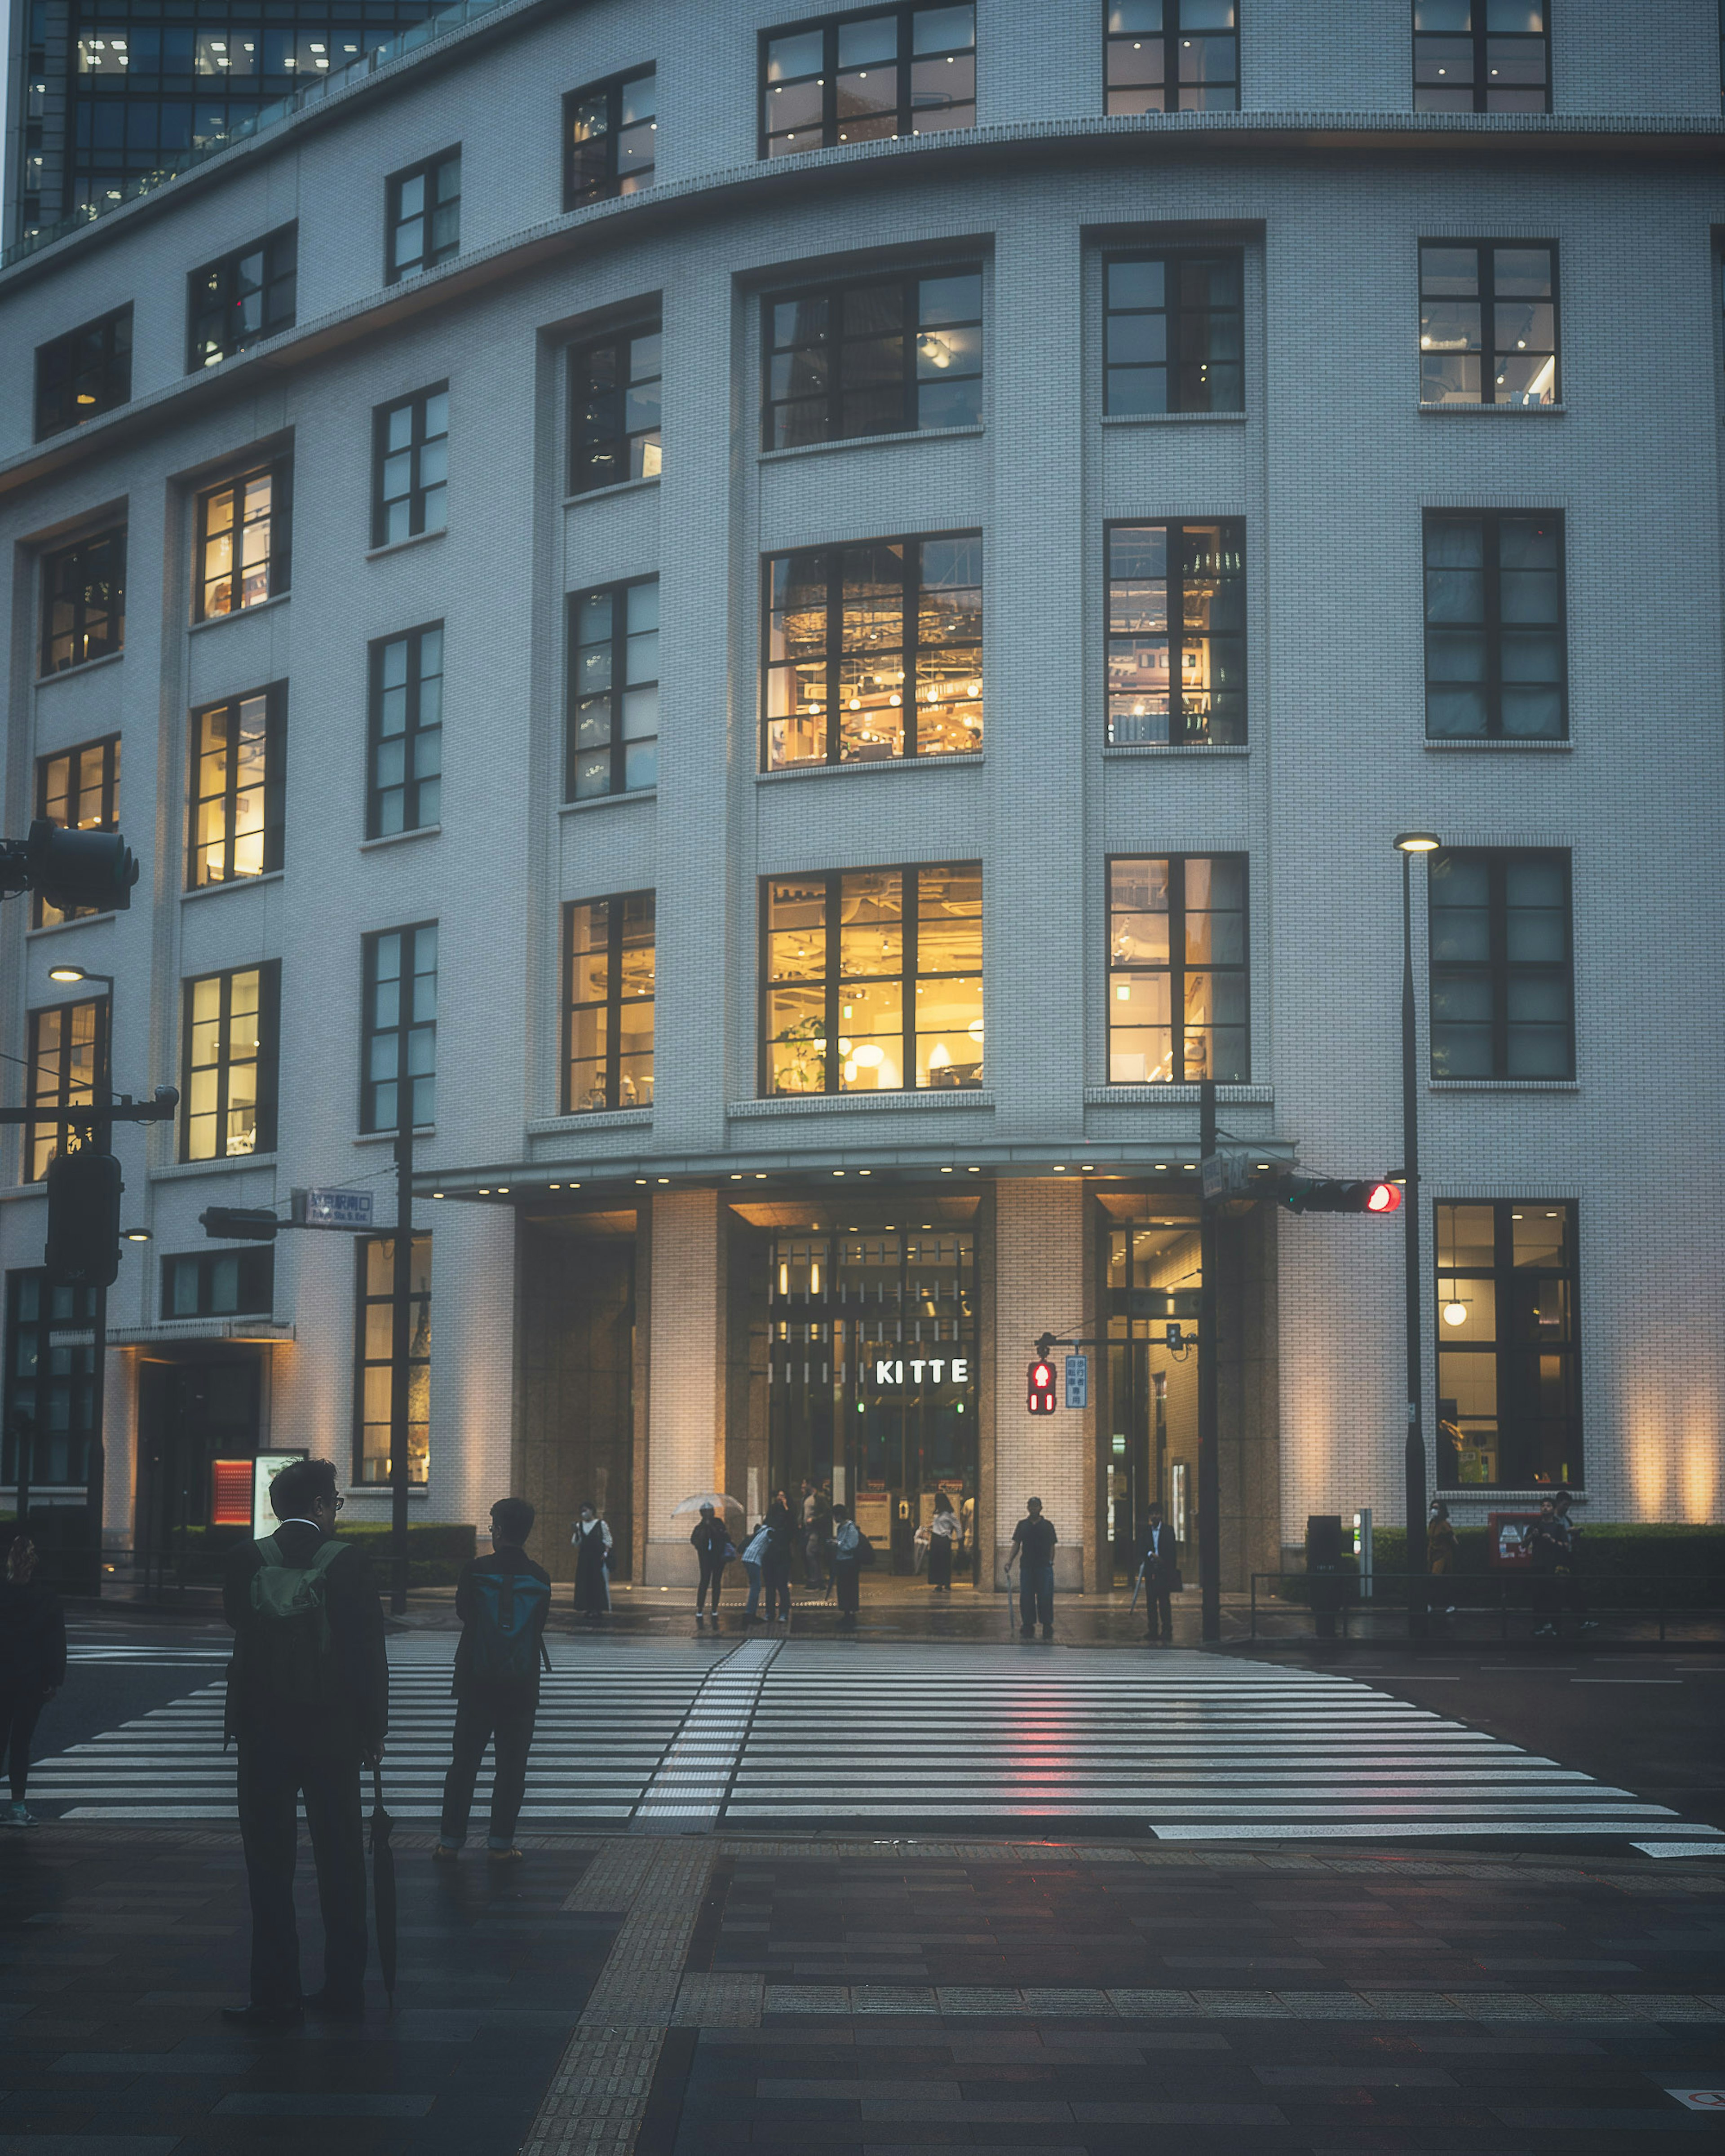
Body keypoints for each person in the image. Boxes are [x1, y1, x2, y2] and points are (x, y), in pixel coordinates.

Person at [221, 1457, 387, 2029]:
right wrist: (374, 1730)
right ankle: (343, 1987)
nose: (336, 1512)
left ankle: (274, 1993)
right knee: (339, 1859)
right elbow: (368, 1653)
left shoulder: (248, 1559)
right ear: (318, 1506)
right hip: (332, 1733)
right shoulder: (349, 1563)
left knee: (268, 1865)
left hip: (262, 1733)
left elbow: (238, 1628)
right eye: (334, 1502)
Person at [436, 1497, 550, 1865]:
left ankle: (450, 1842)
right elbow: (539, 1625)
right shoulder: (540, 1577)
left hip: (476, 1683)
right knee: (512, 1767)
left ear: (498, 1531)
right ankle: (501, 1843)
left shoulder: (475, 1570)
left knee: (464, 1764)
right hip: (521, 1686)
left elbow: (465, 1613)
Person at [0, 1523, 66, 1827]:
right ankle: (17, 1805)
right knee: (21, 1745)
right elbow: (54, 1643)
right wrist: (53, 1680)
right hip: (31, 1681)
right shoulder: (46, 1598)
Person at [1005, 1497, 1057, 1640]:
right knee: (1026, 1596)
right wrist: (1010, 1561)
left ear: (1041, 1508)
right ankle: (1028, 1624)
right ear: (1028, 1508)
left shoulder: (1048, 1526)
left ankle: (1047, 1624)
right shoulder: (1023, 1525)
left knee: (1045, 1596)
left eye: (1036, 1506)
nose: (1034, 1509)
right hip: (1027, 1565)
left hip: (1043, 1566)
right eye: (1031, 1506)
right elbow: (1017, 1544)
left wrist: (1051, 1562)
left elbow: (1052, 1545)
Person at [1551, 1488, 1597, 1633]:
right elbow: (1551, 1537)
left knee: (1575, 1590)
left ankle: (1582, 1620)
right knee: (1558, 1592)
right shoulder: (1552, 1520)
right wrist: (1567, 1532)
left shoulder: (1567, 1519)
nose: (1566, 1508)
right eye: (1565, 1505)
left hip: (1569, 1557)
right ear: (1558, 1504)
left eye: (1568, 1506)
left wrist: (1576, 1536)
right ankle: (1557, 1624)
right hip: (1557, 1558)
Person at [1139, 1502, 1178, 1643]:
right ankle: (1153, 1630)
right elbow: (1142, 1549)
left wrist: (1165, 1563)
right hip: (1151, 1571)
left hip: (1164, 1571)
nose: (1155, 1516)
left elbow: (1173, 1552)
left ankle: (1167, 1630)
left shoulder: (1169, 1531)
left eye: (1157, 1514)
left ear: (1161, 1515)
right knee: (1151, 1602)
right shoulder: (1146, 1532)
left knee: (1164, 1602)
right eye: (1152, 1514)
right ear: (1149, 1516)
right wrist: (1150, 1554)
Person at [1527, 1497, 1565, 1636]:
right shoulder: (1535, 1526)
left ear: (1553, 1509)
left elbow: (1565, 1546)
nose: (1545, 1508)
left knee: (1554, 1598)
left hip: (1553, 1567)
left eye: (1548, 1506)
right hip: (1538, 1565)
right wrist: (1532, 1536)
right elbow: (1524, 1545)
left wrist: (1552, 1540)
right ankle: (1539, 1626)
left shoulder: (1559, 1527)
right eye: (1543, 1505)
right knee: (1538, 1598)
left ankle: (1556, 1627)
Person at [689, 1502, 730, 1622]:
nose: (709, 1514)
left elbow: (725, 1537)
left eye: (710, 1511)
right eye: (706, 1512)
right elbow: (694, 1540)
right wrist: (704, 1531)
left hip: (718, 1558)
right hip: (705, 1558)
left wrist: (712, 1528)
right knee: (704, 1582)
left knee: (716, 1582)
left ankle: (714, 1608)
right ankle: (700, 1608)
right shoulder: (700, 1526)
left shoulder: (718, 1523)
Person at [571, 1503, 612, 1617]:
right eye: (582, 1511)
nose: (584, 1513)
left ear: (592, 1511)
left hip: (597, 1558)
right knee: (585, 1582)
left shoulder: (601, 1524)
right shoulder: (579, 1525)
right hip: (584, 1558)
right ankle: (587, 1607)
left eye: (586, 1510)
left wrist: (606, 1553)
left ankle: (597, 1608)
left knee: (597, 1582)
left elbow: (607, 1539)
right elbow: (575, 1543)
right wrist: (576, 1532)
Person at [830, 1502, 864, 1629]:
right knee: (843, 1589)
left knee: (849, 1589)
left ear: (839, 1516)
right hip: (842, 1561)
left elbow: (851, 1545)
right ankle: (846, 1613)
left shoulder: (851, 1528)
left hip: (849, 1562)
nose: (834, 1519)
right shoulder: (841, 1528)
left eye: (835, 1516)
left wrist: (838, 1544)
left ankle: (851, 1614)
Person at [1428, 1500, 1459, 1633]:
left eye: (1436, 1508)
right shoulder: (1432, 1524)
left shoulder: (1444, 1525)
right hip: (1433, 1555)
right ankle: (1438, 1604)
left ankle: (1438, 1604)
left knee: (1437, 1579)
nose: (1434, 1511)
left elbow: (1454, 1541)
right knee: (1437, 1580)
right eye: (1433, 1508)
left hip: (1442, 1556)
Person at [761, 1495, 793, 1624]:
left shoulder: (769, 1525)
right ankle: (783, 1613)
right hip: (782, 1557)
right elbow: (793, 1529)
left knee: (771, 1587)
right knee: (782, 1586)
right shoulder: (786, 1524)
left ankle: (770, 1613)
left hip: (770, 1557)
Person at [739, 1518, 770, 1621]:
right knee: (756, 1587)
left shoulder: (761, 1529)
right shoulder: (770, 1531)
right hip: (753, 1559)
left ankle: (750, 1613)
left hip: (747, 1557)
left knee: (755, 1586)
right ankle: (750, 1614)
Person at [927, 1491, 960, 1591]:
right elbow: (938, 1524)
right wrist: (930, 1526)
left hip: (944, 1539)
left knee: (944, 1562)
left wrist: (959, 1538)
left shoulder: (949, 1514)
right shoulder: (938, 1512)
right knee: (936, 1562)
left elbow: (958, 1525)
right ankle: (939, 1584)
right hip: (936, 1538)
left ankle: (946, 1583)